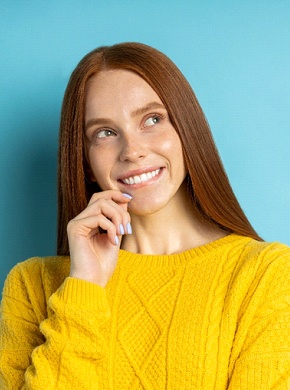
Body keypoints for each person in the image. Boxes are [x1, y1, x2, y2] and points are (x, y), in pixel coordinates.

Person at [0, 42, 289, 389]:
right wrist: (84, 286)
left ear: (187, 130)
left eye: (152, 119)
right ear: (86, 162)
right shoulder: (32, 286)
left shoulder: (267, 276)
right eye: (105, 133)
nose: (133, 151)